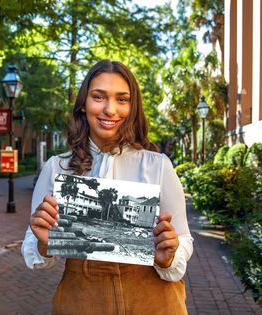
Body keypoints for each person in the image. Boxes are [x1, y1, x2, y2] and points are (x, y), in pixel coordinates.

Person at [22, 60, 193, 314]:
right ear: (83, 104)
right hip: (81, 299)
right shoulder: (56, 167)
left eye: (122, 99)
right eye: (98, 96)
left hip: (153, 299)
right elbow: (34, 255)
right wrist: (44, 244)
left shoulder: (158, 166)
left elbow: (183, 239)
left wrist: (169, 256)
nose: (110, 109)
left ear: (133, 107)